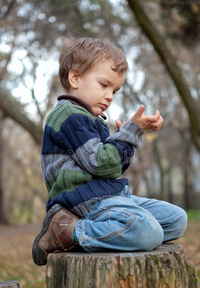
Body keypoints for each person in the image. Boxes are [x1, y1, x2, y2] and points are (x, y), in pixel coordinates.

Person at [32, 36, 187, 266]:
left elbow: (112, 170)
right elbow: (100, 163)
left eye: (115, 90)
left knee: (176, 219)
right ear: (75, 77)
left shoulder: (93, 120)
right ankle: (66, 230)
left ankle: (106, 233)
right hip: (83, 199)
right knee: (148, 232)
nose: (110, 96)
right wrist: (131, 132)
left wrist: (126, 140)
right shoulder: (68, 115)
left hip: (107, 196)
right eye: (104, 85)